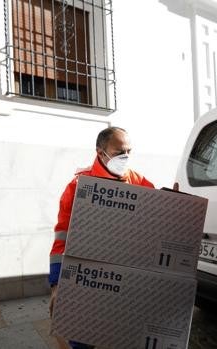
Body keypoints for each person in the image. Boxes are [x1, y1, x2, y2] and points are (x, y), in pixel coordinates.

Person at [48, 126, 154, 349]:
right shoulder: (78, 187)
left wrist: (173, 201)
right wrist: (57, 285)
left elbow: (155, 215)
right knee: (82, 337)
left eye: (129, 151)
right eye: (119, 152)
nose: (125, 157)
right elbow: (61, 237)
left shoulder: (137, 181)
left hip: (125, 281)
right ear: (100, 152)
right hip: (88, 279)